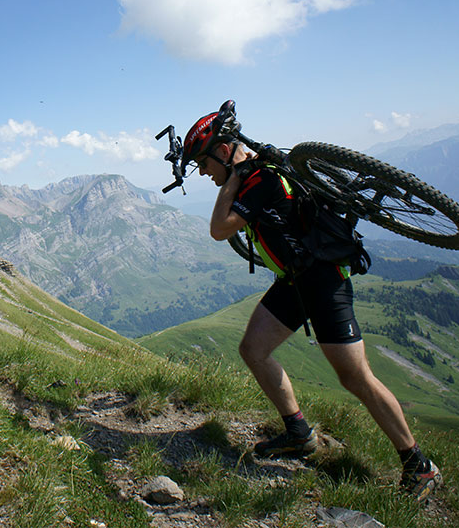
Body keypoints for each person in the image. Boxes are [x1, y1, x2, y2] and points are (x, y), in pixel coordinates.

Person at [181, 102, 442, 502]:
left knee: (355, 377)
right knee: (253, 349)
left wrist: (232, 181)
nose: (202, 172)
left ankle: (418, 466)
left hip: (322, 281)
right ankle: (299, 433)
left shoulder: (258, 181)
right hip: (296, 281)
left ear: (223, 151)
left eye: (203, 162)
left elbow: (219, 229)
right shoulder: (261, 174)